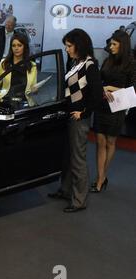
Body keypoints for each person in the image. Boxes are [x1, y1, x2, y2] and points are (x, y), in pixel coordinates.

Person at [48, 28, 103, 213]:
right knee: (67, 157)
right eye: (66, 46)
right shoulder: (74, 62)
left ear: (79, 45)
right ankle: (65, 190)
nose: (66, 49)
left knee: (78, 159)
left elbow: (97, 95)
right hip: (68, 115)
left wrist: (84, 113)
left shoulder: (90, 66)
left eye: (69, 46)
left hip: (79, 119)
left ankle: (79, 201)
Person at [91, 30, 136, 192]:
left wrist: (111, 88)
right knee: (100, 142)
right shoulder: (108, 61)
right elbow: (100, 79)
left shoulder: (131, 63)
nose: (110, 47)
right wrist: (103, 88)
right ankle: (101, 176)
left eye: (114, 44)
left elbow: (132, 90)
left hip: (117, 107)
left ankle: (101, 178)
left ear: (123, 46)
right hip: (102, 105)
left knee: (110, 142)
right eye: (110, 44)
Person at [0, 33, 38, 107]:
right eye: (14, 45)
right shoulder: (4, 64)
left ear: (25, 47)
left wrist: (35, 90)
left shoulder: (32, 66)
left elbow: (34, 88)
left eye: (19, 45)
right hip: (6, 101)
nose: (16, 48)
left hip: (25, 103)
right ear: (11, 47)